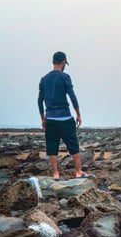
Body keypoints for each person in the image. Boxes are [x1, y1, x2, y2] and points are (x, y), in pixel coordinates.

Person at [38, 51, 89, 180]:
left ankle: (56, 174)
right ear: (63, 62)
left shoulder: (44, 79)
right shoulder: (65, 77)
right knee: (73, 144)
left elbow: (40, 100)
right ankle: (78, 172)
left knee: (52, 146)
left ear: (53, 62)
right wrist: (78, 114)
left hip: (50, 118)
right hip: (65, 117)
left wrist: (43, 118)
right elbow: (72, 96)